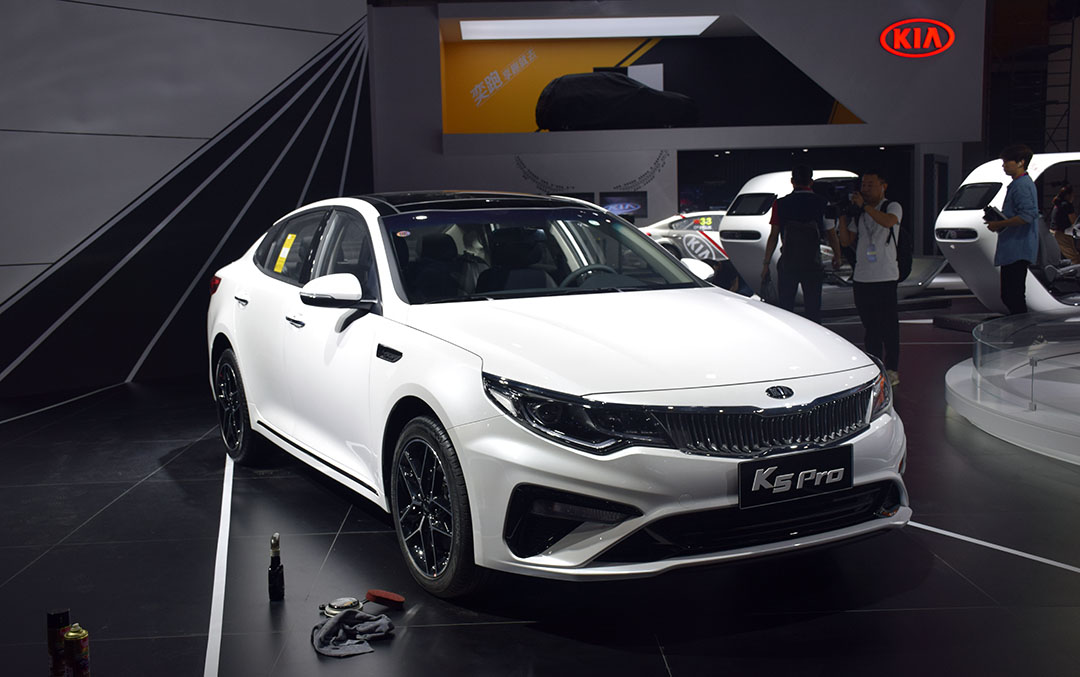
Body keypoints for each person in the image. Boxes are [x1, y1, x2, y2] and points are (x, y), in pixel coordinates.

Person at [837, 171, 903, 388]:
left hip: (885, 276)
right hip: (862, 277)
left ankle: (892, 368)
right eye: (863, 185)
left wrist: (864, 207)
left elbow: (888, 222)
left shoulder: (892, 206)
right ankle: (875, 367)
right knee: (870, 327)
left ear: (883, 186)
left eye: (870, 185)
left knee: (889, 326)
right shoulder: (860, 213)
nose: (865, 189)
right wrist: (843, 216)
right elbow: (846, 241)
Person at [761, 165, 842, 323]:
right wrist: (837, 256)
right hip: (813, 263)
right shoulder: (823, 203)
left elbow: (773, 235)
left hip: (788, 262)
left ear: (792, 181)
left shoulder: (780, 203)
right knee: (813, 308)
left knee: (786, 308)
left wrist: (766, 263)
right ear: (811, 182)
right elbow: (831, 234)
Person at [984, 144, 1039, 314]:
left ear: (1021, 162)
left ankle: (1022, 328)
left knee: (1012, 295)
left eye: (1007, 161)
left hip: (1017, 248)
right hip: (1015, 248)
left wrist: (999, 224)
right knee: (1011, 294)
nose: (1004, 165)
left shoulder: (1021, 185)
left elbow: (1026, 216)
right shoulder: (1019, 184)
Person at [1049, 184, 1080, 265]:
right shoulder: (1067, 205)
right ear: (1068, 195)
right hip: (1062, 234)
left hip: (1052, 233)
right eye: (1073, 195)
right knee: (1075, 258)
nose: (1074, 197)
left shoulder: (1057, 204)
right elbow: (1074, 221)